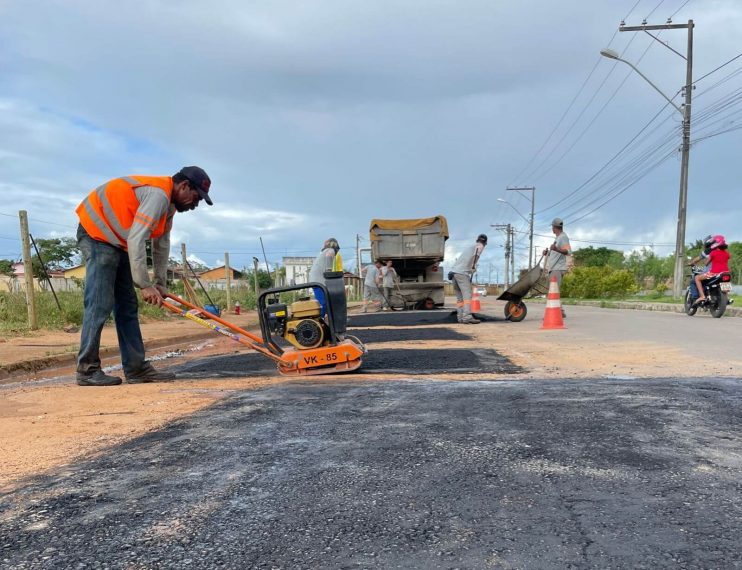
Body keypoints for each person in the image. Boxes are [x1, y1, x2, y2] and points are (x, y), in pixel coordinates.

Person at [75, 166, 213, 386]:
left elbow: (161, 245)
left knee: (128, 305)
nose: (195, 204)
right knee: (100, 302)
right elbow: (137, 239)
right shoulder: (158, 195)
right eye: (196, 197)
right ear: (184, 186)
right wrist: (144, 284)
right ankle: (87, 369)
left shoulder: (169, 207)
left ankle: (136, 369)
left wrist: (159, 283)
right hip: (97, 233)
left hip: (117, 241)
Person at [449, 234, 487, 324]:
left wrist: (471, 268)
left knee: (460, 299)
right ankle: (467, 317)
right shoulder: (480, 246)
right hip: (462, 273)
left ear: (477, 240)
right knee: (467, 296)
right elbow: (476, 256)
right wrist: (473, 267)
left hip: (454, 273)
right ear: (485, 243)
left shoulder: (471, 247)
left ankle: (460, 317)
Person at [690, 234, 730, 306]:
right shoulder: (727, 253)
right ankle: (726, 298)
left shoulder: (712, 252)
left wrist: (704, 262)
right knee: (725, 282)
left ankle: (702, 296)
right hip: (726, 272)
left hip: (713, 273)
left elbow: (706, 263)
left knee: (696, 278)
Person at [543, 218, 571, 318]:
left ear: (555, 227)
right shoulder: (558, 238)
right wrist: (547, 253)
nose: (552, 229)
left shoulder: (563, 237)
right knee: (552, 291)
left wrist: (555, 249)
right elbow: (556, 252)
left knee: (553, 291)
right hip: (554, 268)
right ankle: (560, 311)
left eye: (552, 227)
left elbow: (568, 252)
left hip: (558, 269)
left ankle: (556, 314)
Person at [309, 237, 342, 316]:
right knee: (323, 303)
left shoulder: (324, 252)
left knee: (326, 301)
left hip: (317, 279)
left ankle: (328, 319)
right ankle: (320, 319)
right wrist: (329, 273)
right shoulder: (331, 250)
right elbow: (329, 259)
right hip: (318, 280)